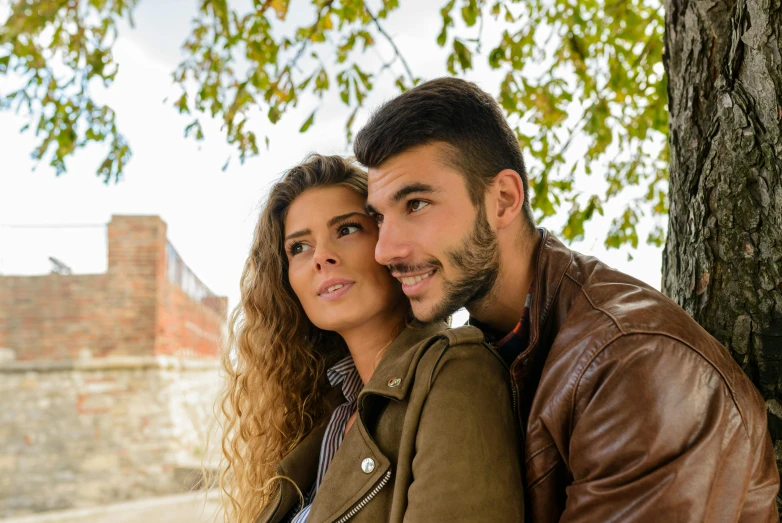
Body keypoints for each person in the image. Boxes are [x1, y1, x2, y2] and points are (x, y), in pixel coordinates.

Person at [354, 77, 780, 522]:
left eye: (417, 204)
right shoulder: (485, 353)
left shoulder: (632, 362)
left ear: (503, 200)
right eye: (379, 217)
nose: (386, 250)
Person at [219, 154, 525, 523]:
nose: (321, 257)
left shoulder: (455, 369)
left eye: (347, 229)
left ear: (390, 242)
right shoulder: (331, 414)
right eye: (299, 247)